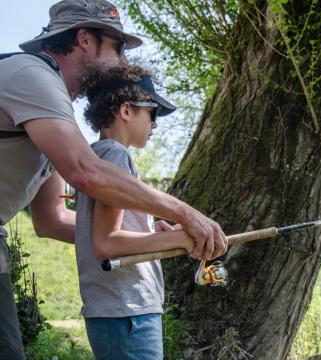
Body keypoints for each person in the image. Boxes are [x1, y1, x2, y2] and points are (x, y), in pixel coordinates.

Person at [0, 1, 227, 358]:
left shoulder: (54, 114)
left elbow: (51, 221)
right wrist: (186, 215)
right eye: (117, 48)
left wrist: (147, 237)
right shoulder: (31, 76)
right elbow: (86, 173)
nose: (123, 62)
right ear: (85, 39)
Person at [76, 65, 194, 359]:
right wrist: (180, 239)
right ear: (126, 110)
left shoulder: (97, 156)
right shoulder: (115, 156)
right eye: (152, 112)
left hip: (120, 310)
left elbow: (109, 231)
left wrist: (153, 232)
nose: (155, 124)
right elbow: (107, 244)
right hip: (126, 310)